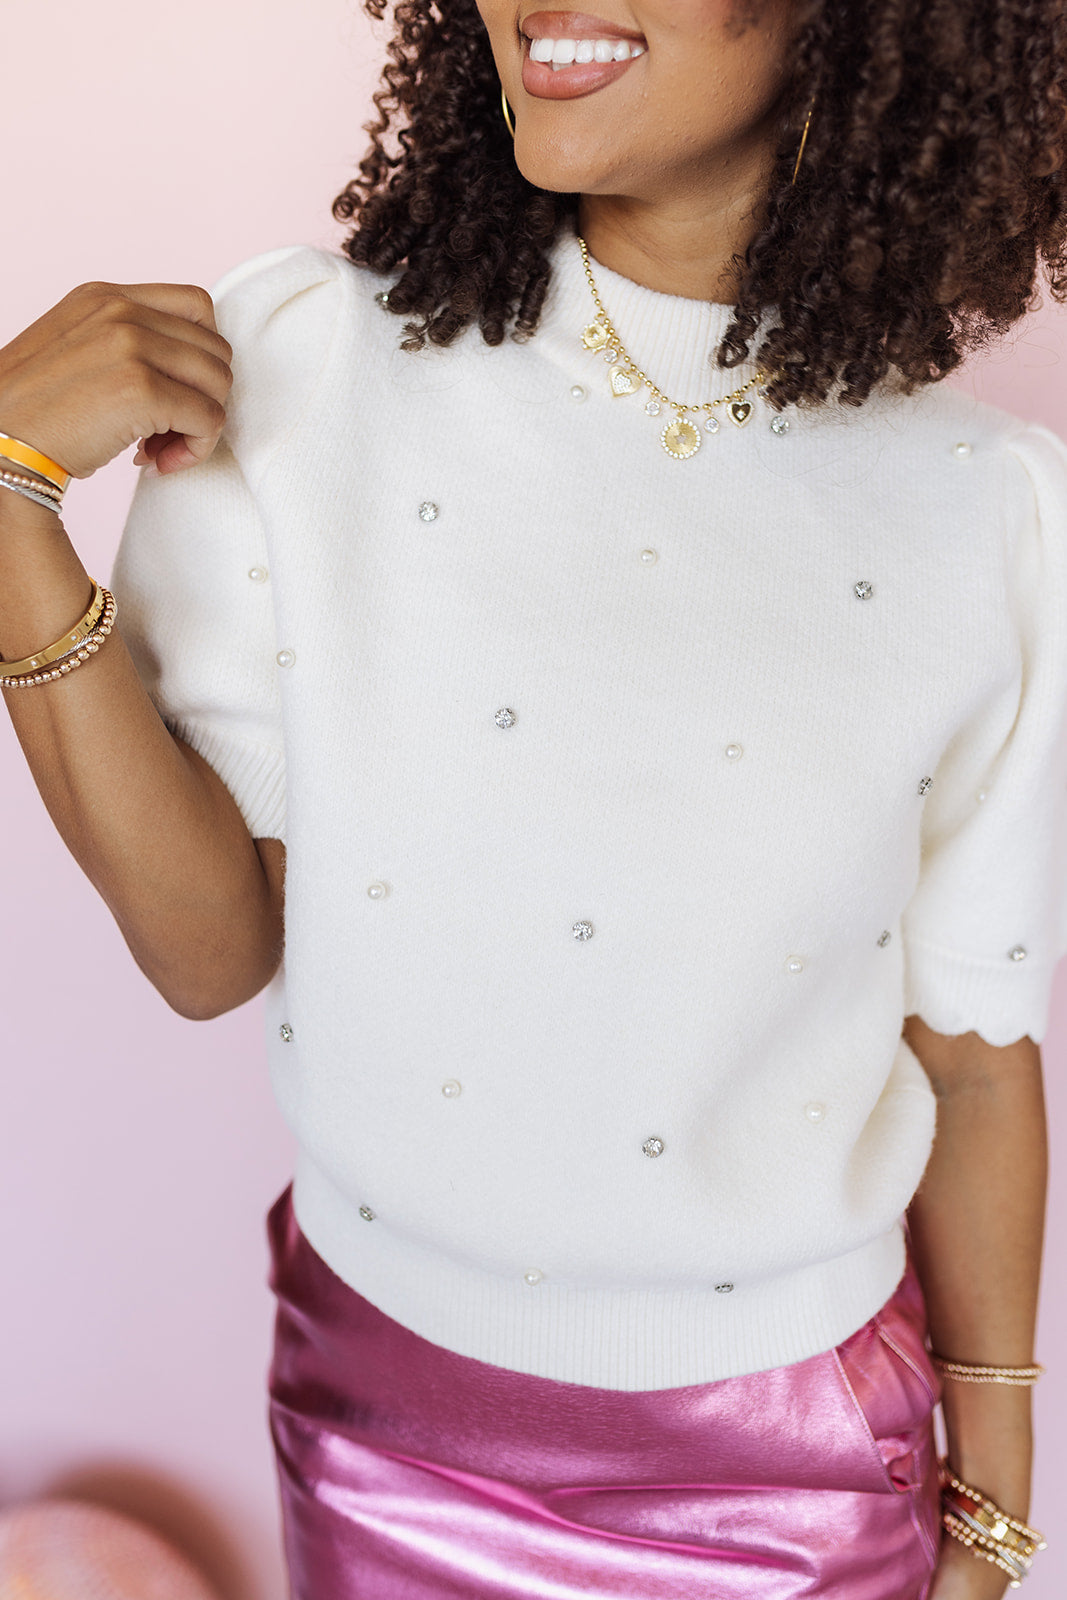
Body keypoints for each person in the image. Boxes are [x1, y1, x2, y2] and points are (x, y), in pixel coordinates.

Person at [1, 0, 1064, 1594]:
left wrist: (994, 1500)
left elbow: (974, 1060)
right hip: (386, 1430)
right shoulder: (303, 362)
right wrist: (7, 503)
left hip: (801, 1470)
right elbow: (209, 953)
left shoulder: (993, 518)